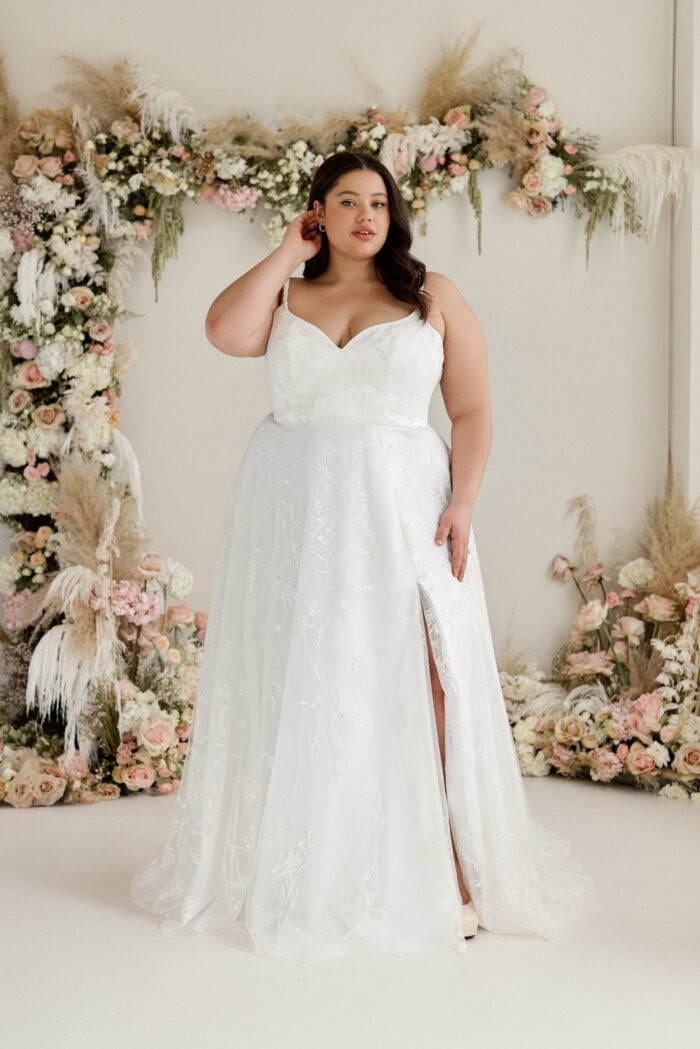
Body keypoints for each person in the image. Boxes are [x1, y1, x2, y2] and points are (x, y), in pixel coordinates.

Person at [130, 150, 593, 962]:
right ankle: (316, 862)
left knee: (427, 673)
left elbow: (474, 405)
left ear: (393, 212)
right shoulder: (286, 292)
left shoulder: (430, 294)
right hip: (296, 509)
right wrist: (284, 253)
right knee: (313, 676)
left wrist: (463, 502)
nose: (364, 215)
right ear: (317, 212)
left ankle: (451, 869)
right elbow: (221, 331)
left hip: (403, 506)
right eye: (345, 201)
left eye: (377, 200)